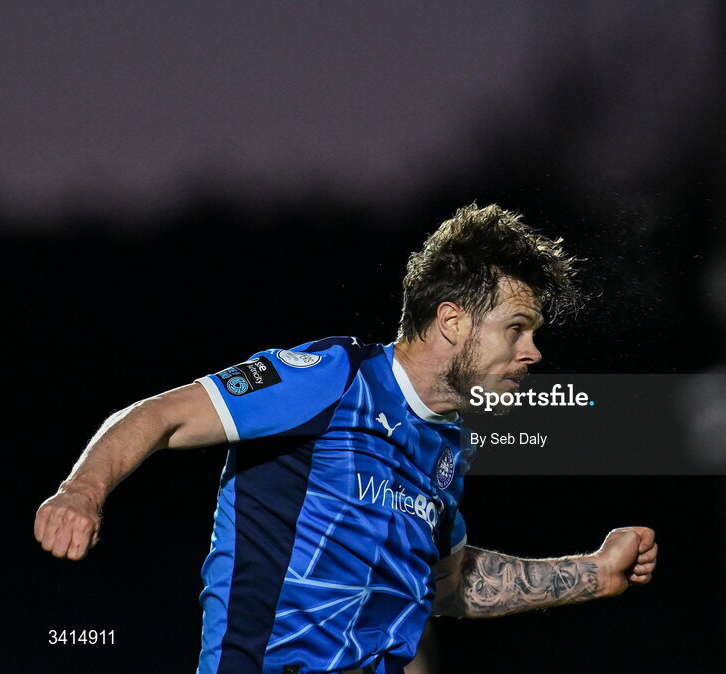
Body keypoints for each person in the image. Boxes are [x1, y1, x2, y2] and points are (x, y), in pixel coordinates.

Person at [34, 204, 659, 674]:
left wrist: (592, 573)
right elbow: (158, 415)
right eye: (517, 329)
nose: (533, 352)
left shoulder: (444, 446)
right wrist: (81, 492)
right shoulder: (331, 378)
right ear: (452, 322)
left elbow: (450, 584)